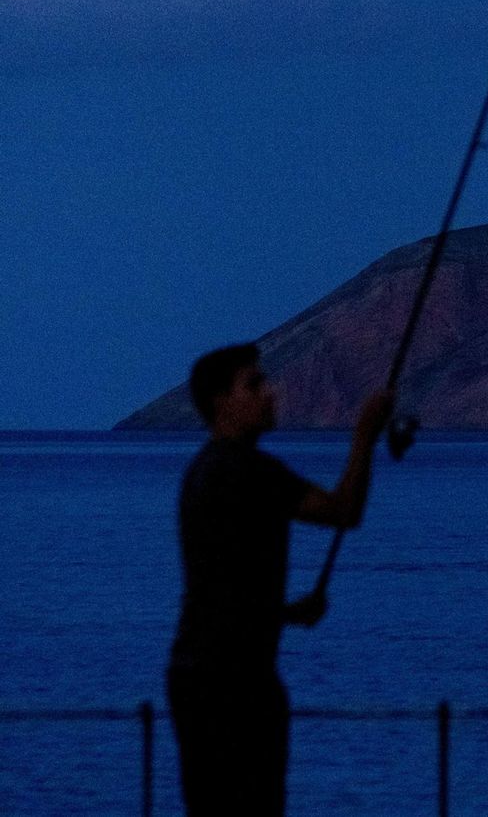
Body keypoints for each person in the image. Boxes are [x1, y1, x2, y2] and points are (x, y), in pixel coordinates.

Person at [165, 342, 392, 816]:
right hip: (236, 685)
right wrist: (364, 437)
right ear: (221, 402)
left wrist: (285, 612)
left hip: (195, 674)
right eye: (254, 385)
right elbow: (344, 509)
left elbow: (221, 592)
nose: (271, 393)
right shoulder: (252, 472)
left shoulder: (201, 472)